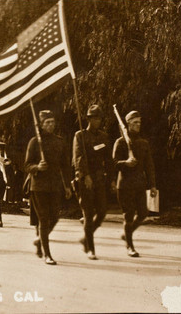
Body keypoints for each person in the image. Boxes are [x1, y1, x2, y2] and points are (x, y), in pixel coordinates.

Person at [25, 110, 72, 265]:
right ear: (42, 124)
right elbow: (26, 165)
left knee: (55, 217)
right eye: (47, 122)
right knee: (44, 219)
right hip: (38, 186)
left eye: (52, 122)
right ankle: (47, 254)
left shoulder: (60, 142)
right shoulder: (34, 142)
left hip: (55, 186)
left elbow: (65, 167)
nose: (51, 125)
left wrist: (67, 185)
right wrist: (37, 167)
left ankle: (39, 240)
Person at [72, 105, 116, 260]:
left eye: (99, 118)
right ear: (88, 119)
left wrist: (111, 179)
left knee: (103, 211)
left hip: (100, 179)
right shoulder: (80, 136)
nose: (97, 121)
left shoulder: (104, 137)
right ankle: (90, 248)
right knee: (89, 214)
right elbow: (78, 157)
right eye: (94, 118)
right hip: (85, 180)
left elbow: (108, 159)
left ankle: (86, 235)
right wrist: (85, 176)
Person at [113, 110, 157, 257]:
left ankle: (128, 233)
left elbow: (149, 166)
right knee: (128, 215)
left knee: (143, 213)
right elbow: (113, 164)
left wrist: (152, 185)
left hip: (139, 184)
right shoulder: (120, 142)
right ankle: (130, 246)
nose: (138, 125)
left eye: (139, 122)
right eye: (135, 122)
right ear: (128, 124)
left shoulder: (143, 143)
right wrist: (125, 163)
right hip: (124, 184)